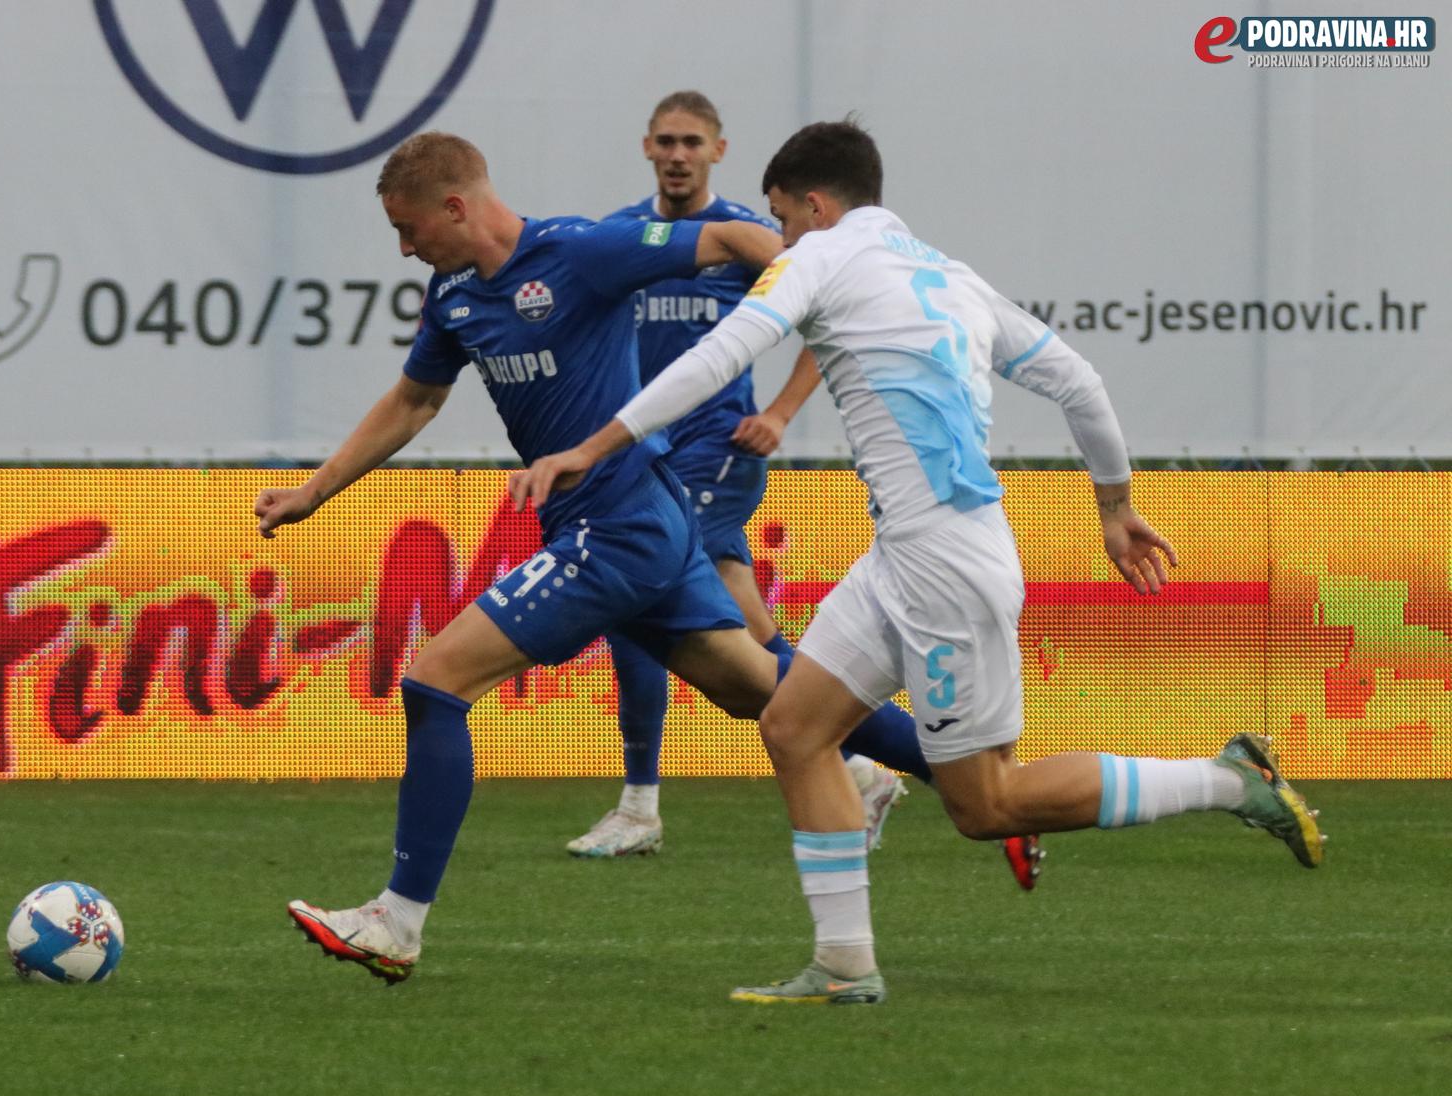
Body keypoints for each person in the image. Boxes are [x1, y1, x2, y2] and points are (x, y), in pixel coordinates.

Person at [513, 119, 1324, 1006]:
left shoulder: (819, 258)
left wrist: (591, 447)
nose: (777, 240)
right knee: (793, 727)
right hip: (905, 555)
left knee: (988, 805)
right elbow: (1080, 383)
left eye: (782, 219)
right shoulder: (949, 274)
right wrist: (1114, 507)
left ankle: (1229, 778)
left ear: (814, 206)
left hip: (945, 564)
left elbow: (720, 356)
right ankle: (844, 966)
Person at [259, 131, 790, 984]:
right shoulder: (454, 294)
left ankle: (397, 921)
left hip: (616, 528)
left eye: (409, 228)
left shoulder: (580, 251)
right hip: (625, 525)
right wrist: (316, 490)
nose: (403, 249)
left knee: (434, 680)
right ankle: (975, 787)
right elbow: (415, 399)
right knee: (768, 693)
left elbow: (730, 241)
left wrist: (814, 284)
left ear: (456, 206)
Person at [571, 91, 1042, 892]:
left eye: (694, 142)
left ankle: (642, 803)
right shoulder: (627, 238)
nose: (679, 154)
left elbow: (835, 313)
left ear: (718, 151)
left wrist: (781, 411)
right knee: (749, 638)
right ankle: (889, 769)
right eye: (667, 141)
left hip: (715, 451)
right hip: (651, 458)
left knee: (634, 597)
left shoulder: (755, 237)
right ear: (646, 145)